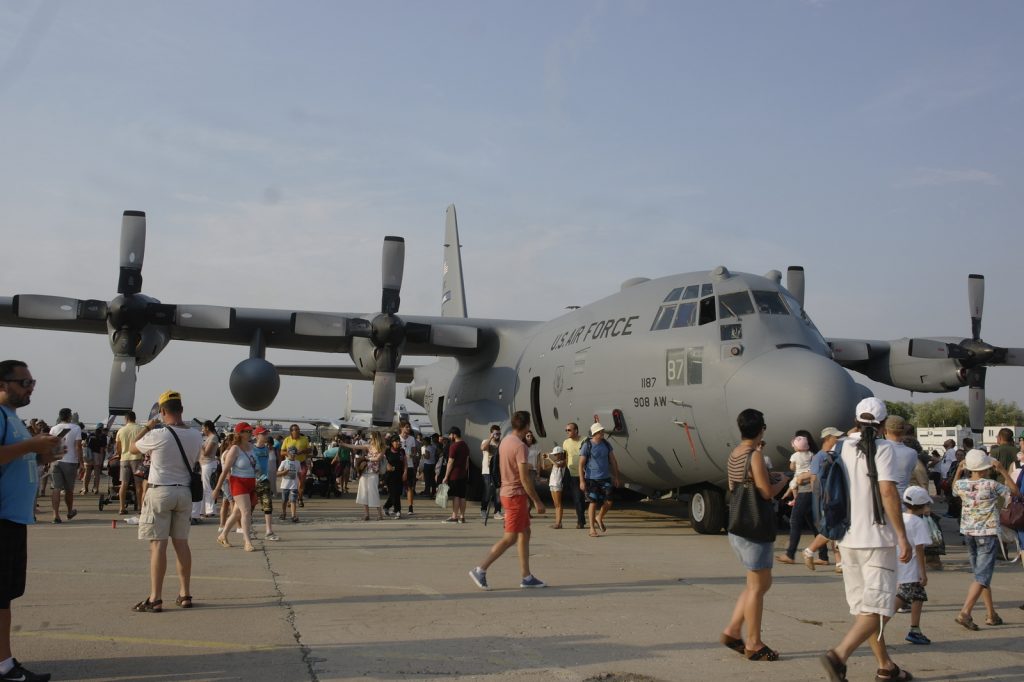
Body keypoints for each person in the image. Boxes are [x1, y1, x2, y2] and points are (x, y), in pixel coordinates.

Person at [820, 397, 912, 682]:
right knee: (878, 607)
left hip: (847, 538)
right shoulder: (884, 449)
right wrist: (902, 535)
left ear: (856, 418)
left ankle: (886, 666)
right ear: (883, 423)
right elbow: (887, 493)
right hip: (877, 538)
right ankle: (839, 655)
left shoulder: (841, 445)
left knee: (865, 608)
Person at [1, 359, 62, 682]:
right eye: (24, 382)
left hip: (13, 519)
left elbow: (15, 456)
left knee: (5, 596)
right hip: (2, 518)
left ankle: (4, 662)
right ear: (2, 384)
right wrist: (31, 445)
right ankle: (5, 667)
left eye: (32, 382)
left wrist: (43, 453)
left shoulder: (14, 419)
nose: (30, 388)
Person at [720, 408, 787, 662]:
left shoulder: (735, 453)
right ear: (761, 430)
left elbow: (735, 485)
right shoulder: (755, 455)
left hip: (739, 526)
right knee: (758, 588)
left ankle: (733, 630)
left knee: (757, 584)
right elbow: (766, 492)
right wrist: (782, 481)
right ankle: (754, 643)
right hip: (755, 528)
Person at [129, 390, 204, 612]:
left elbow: (133, 446)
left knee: (158, 546)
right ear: (181, 409)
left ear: (162, 411)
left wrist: (148, 427)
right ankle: (185, 593)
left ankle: (156, 597)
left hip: (160, 491)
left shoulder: (158, 434)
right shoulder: (195, 435)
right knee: (181, 544)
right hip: (184, 493)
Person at [469, 411, 547, 590]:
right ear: (527, 425)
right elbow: (525, 478)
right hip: (515, 495)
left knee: (525, 533)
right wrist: (537, 501)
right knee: (510, 537)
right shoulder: (520, 447)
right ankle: (480, 569)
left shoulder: (505, 441)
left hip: (506, 492)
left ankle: (526, 576)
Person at [951, 449, 1019, 631]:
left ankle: (991, 614)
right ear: (986, 467)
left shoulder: (962, 485)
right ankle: (965, 612)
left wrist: (959, 470)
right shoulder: (991, 485)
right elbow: (1015, 492)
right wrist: (1003, 470)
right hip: (986, 534)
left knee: (980, 576)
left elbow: (953, 489)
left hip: (968, 533)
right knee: (982, 576)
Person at [896, 486, 934, 645]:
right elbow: (919, 549)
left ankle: (915, 629)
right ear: (923, 505)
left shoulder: (900, 518)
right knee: (902, 597)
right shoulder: (918, 522)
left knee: (918, 596)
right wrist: (923, 572)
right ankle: (875, 625)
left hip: (899, 564)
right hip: (911, 569)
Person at [214, 423, 259, 550]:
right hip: (238, 482)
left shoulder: (251, 447)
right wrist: (217, 489)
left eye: (251, 431)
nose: (251, 433)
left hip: (251, 481)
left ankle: (222, 535)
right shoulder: (234, 449)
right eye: (248, 431)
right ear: (240, 433)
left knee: (236, 513)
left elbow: (255, 465)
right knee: (246, 511)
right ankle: (247, 541)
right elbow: (225, 470)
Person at [777, 433, 819, 565]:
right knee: (814, 524)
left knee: (795, 521)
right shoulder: (812, 455)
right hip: (811, 490)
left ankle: (790, 554)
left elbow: (791, 467)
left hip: (804, 491)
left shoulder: (794, 456)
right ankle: (823, 556)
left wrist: (794, 467)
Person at [578, 423, 620, 537]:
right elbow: (581, 464)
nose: (602, 433)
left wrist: (616, 476)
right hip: (591, 479)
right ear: (595, 433)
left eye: (602, 431)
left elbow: (613, 461)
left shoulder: (606, 444)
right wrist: (581, 481)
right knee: (593, 502)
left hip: (605, 477)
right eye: (601, 432)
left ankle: (599, 517)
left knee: (609, 501)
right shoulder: (587, 445)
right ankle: (592, 528)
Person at [48, 408, 82, 523]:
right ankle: (69, 511)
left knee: (56, 488)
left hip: (56, 460)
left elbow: (50, 446)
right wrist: (81, 462)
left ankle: (55, 515)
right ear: (69, 416)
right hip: (70, 461)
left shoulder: (53, 428)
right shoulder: (76, 428)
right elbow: (78, 446)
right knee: (69, 490)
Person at [116, 411, 147, 514]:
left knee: (123, 484)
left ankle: (122, 507)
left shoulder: (121, 430)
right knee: (138, 484)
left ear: (126, 419)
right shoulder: (140, 429)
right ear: (135, 418)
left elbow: (118, 447)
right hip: (137, 458)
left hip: (124, 459)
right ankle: (140, 507)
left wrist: (120, 454)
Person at [252, 427, 279, 541]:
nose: (266, 435)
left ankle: (269, 530)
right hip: (252, 480)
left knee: (268, 505)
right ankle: (245, 528)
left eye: (266, 433)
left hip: (264, 480)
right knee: (249, 507)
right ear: (257, 435)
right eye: (263, 434)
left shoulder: (268, 449)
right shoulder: (251, 449)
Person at [352, 432, 384, 521]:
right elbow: (355, 447)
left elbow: (378, 458)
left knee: (373, 492)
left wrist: (368, 458)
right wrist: (343, 444)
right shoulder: (369, 446)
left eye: (371, 438)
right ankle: (367, 514)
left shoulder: (381, 447)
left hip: (373, 473)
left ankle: (380, 514)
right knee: (363, 493)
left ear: (375, 438)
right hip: (365, 472)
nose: (370, 440)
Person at [442, 427, 469, 523]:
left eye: (450, 435)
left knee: (456, 496)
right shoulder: (465, 445)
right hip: (463, 474)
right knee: (462, 496)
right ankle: (462, 516)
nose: (449, 437)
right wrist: (464, 472)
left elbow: (450, 462)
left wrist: (446, 476)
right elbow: (466, 462)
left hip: (455, 474)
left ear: (454, 434)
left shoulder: (454, 446)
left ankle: (454, 516)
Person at [562, 422, 587, 529]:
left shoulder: (585, 440)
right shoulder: (566, 443)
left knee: (586, 498)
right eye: (566, 430)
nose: (567, 432)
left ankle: (583, 518)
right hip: (572, 474)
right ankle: (581, 521)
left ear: (576, 430)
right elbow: (565, 457)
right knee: (577, 498)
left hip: (586, 473)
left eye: (569, 430)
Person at [282, 425, 311, 507]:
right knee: (291, 482)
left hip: (301, 463)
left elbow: (309, 450)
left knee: (301, 482)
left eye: (298, 429)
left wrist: (302, 451)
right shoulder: (287, 440)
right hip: (290, 464)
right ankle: (290, 500)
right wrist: (290, 453)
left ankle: (300, 498)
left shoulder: (304, 439)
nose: (298, 431)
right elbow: (282, 452)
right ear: (291, 431)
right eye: (296, 430)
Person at [479, 424, 502, 521]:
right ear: (491, 433)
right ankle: (483, 509)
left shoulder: (501, 443)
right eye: (496, 433)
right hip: (487, 470)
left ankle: (497, 511)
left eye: (499, 433)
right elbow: (483, 448)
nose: (498, 435)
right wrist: (491, 438)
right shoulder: (486, 441)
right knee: (488, 491)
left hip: (498, 470)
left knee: (498, 492)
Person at [198, 421, 220, 517]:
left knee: (208, 487)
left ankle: (210, 510)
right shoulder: (208, 438)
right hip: (204, 465)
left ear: (207, 428)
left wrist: (200, 445)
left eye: (203, 428)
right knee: (204, 488)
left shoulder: (213, 437)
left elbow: (207, 452)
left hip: (209, 464)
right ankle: (203, 510)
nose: (202, 430)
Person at [277, 446, 302, 523]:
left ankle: (293, 515)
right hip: (285, 485)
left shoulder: (297, 463)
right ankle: (283, 513)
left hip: (294, 485)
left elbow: (299, 474)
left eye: (294, 454)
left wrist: (300, 483)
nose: (293, 456)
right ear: (287, 454)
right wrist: (284, 472)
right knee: (284, 500)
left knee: (293, 500)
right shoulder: (284, 462)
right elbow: (277, 473)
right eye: (291, 454)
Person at [543, 445, 567, 528]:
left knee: (558, 504)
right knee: (555, 504)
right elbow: (544, 467)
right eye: (555, 454)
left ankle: (559, 523)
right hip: (552, 483)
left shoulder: (563, 461)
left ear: (561, 454)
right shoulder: (555, 461)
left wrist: (549, 458)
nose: (555, 456)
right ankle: (557, 522)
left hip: (558, 483)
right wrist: (544, 459)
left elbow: (557, 465)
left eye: (557, 454)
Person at [382, 436, 406, 518]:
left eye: (398, 441)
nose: (398, 443)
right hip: (390, 475)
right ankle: (397, 510)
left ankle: (386, 506)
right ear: (391, 443)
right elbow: (383, 461)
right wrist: (387, 465)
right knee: (394, 493)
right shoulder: (387, 451)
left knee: (397, 493)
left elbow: (405, 463)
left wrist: (405, 472)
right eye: (396, 441)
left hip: (400, 474)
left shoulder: (402, 451)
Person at [399, 423, 419, 515]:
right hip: (399, 466)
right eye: (406, 427)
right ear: (401, 428)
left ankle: (410, 507)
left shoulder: (412, 439)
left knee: (409, 487)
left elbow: (415, 452)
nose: (408, 428)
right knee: (397, 488)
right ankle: (396, 507)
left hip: (410, 465)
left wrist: (412, 455)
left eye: (409, 427)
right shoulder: (397, 438)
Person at [82, 425, 107, 495]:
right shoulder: (103, 436)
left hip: (88, 455)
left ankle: (84, 488)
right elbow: (102, 449)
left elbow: (85, 444)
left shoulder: (90, 435)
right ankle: (95, 488)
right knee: (96, 473)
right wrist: (101, 460)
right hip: (97, 455)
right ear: (101, 429)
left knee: (87, 473)